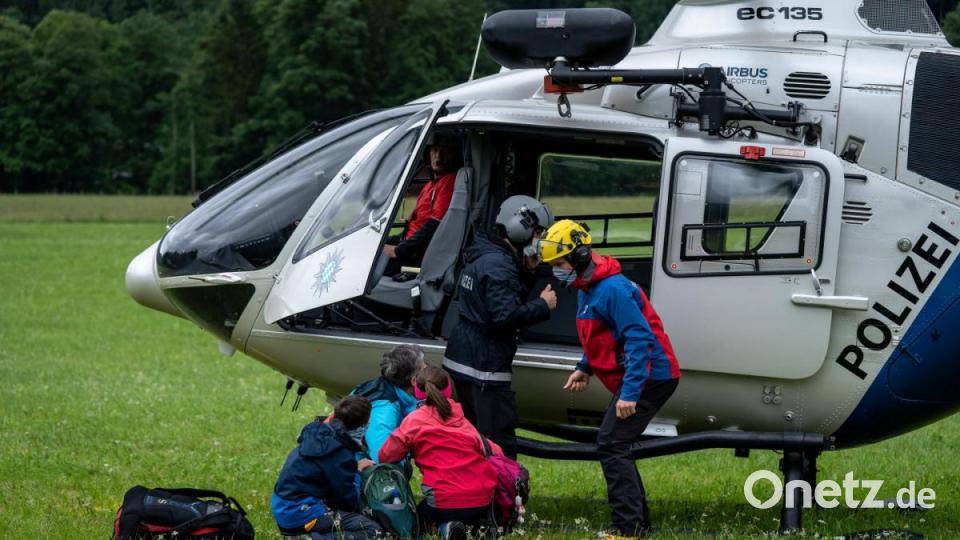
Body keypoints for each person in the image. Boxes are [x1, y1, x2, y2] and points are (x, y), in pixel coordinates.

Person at [539, 219, 681, 538]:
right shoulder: (586, 286)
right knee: (616, 443)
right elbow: (602, 335)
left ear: (578, 256)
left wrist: (630, 394)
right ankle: (637, 524)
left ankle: (628, 529)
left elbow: (639, 340)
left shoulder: (611, 289)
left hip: (650, 377)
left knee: (611, 443)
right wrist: (584, 367)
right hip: (638, 377)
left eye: (559, 263)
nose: (555, 270)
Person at [442, 195, 558, 458]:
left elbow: (501, 299)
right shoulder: (500, 266)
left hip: (465, 359)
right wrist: (543, 304)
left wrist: (528, 271)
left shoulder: (484, 254)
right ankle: (502, 497)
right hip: (484, 369)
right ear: (520, 227)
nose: (539, 239)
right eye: (538, 232)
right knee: (498, 442)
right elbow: (504, 316)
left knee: (471, 440)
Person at [378, 365, 502, 540]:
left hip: (443, 501)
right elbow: (497, 452)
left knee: (415, 524)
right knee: (465, 515)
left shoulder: (414, 421)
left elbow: (385, 456)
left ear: (418, 390)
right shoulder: (462, 419)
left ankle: (446, 529)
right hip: (482, 500)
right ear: (449, 389)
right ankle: (474, 527)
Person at [271, 395, 383, 540]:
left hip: (284, 508)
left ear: (334, 414)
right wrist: (356, 472)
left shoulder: (318, 433)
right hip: (301, 514)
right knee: (373, 530)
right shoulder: (341, 453)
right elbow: (347, 502)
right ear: (364, 424)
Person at [382, 133, 461, 272]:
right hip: (408, 243)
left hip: (415, 255)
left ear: (454, 155)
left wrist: (399, 250)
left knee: (368, 266)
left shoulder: (449, 181)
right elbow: (416, 223)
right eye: (435, 150)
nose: (439, 156)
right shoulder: (431, 183)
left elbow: (435, 225)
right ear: (428, 154)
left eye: (445, 151)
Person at [350, 344, 426, 461]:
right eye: (423, 368)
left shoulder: (377, 385)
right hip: (355, 471)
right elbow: (382, 459)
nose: (427, 369)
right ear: (414, 380)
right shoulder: (385, 412)